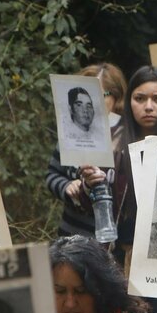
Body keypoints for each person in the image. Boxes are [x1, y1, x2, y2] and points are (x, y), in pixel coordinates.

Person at [79, 66, 157, 272]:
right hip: (121, 257)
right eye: (139, 98)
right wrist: (92, 183)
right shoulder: (110, 140)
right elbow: (89, 206)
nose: (148, 106)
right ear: (128, 102)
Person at [47, 63, 128, 238]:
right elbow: (52, 175)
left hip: (110, 243)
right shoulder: (69, 133)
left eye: (101, 94)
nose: (92, 102)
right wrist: (66, 185)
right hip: (71, 236)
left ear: (116, 97)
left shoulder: (127, 137)